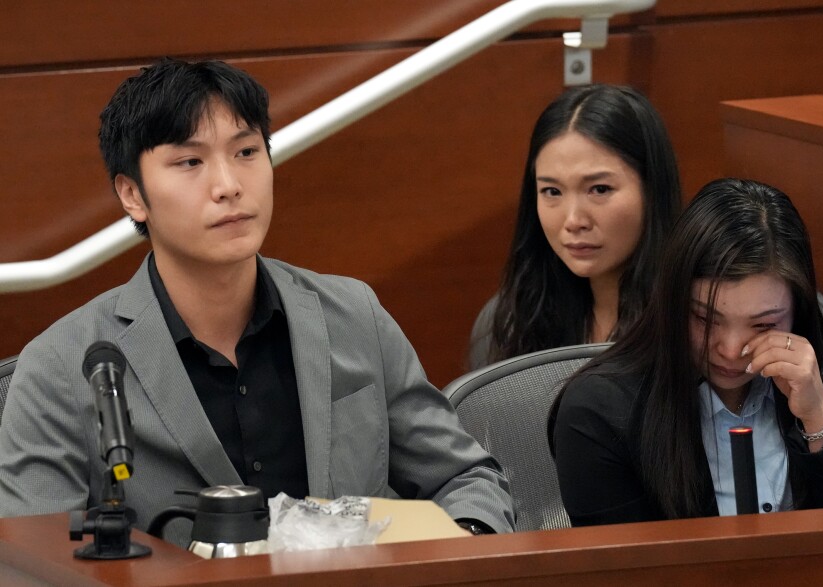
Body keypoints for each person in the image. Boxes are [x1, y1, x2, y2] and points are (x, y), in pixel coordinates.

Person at [0, 58, 514, 542]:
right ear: (133, 194)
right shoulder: (62, 367)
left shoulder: (353, 315)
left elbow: (466, 478)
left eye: (247, 152)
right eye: (189, 161)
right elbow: (33, 558)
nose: (229, 186)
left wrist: (461, 548)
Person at [550, 178, 823, 527]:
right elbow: (626, 570)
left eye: (763, 325)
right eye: (705, 318)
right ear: (672, 302)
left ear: (797, 311)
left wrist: (821, 421)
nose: (731, 349)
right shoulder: (597, 411)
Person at [469, 84, 681, 369]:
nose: (573, 221)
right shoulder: (511, 319)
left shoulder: (696, 322)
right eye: (552, 192)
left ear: (652, 189)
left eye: (599, 189)